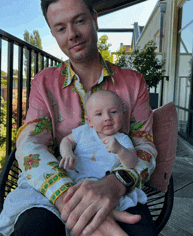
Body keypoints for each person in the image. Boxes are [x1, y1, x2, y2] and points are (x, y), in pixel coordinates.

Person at [0, 0, 158, 236]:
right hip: (54, 189)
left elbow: (145, 147)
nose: (71, 34)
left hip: (114, 184)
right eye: (61, 28)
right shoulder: (44, 82)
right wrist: (69, 201)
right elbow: (30, 144)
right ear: (54, 34)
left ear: (94, 19)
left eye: (79, 21)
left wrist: (116, 184)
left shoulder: (132, 82)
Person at [59, 90, 147, 220]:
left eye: (113, 112)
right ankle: (113, 216)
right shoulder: (84, 131)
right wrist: (68, 153)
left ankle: (111, 215)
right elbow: (66, 141)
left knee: (102, 202)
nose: (107, 117)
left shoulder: (122, 139)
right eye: (99, 114)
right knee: (70, 198)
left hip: (103, 185)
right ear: (89, 121)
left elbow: (131, 163)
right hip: (76, 180)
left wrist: (120, 150)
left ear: (122, 115)